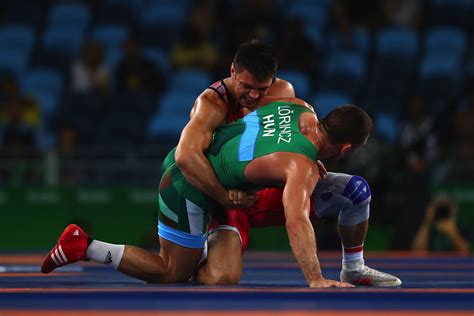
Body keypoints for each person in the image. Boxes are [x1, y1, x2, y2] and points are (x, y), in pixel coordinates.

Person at [41, 98, 370, 288]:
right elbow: (296, 220)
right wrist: (314, 278)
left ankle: (200, 249)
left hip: (223, 191)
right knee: (171, 273)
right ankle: (84, 246)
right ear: (343, 148)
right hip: (190, 186)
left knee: (222, 279)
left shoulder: (297, 106)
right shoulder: (302, 167)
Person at [172, 40, 400, 286]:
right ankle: (194, 258)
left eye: (261, 89)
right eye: (247, 87)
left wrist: (307, 159)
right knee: (222, 278)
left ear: (272, 81)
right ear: (233, 73)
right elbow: (186, 157)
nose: (254, 96)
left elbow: (283, 139)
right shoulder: (210, 105)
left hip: (263, 191)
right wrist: (224, 195)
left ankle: (354, 268)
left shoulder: (287, 98)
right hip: (224, 196)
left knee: (355, 191)